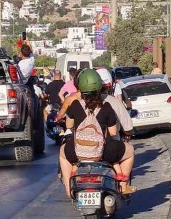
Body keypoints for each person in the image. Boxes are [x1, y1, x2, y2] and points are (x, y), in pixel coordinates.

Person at [58, 69, 136, 198]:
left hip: (78, 152)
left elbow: (69, 125)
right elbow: (113, 132)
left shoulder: (76, 104)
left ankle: (68, 188)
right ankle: (122, 185)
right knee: (130, 151)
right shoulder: (107, 106)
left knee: (62, 153)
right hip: (104, 152)